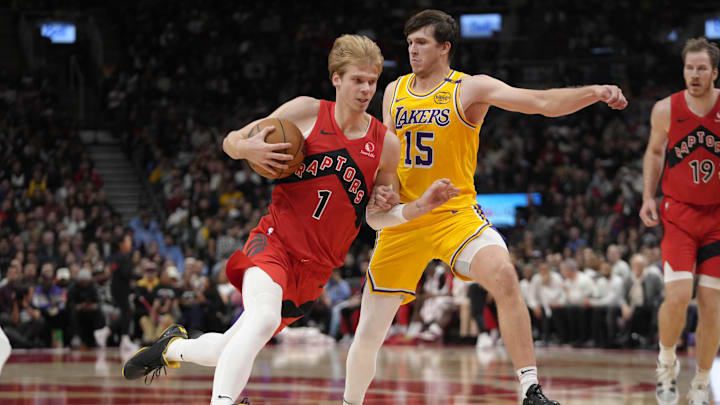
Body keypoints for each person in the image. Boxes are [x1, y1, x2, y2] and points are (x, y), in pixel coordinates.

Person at [121, 34, 459, 405]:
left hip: (314, 272)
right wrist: (245, 146)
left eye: (372, 81)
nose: (365, 89)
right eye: (357, 80)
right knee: (262, 319)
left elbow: (377, 220)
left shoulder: (385, 145)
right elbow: (231, 140)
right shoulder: (307, 112)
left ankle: (173, 348)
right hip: (274, 243)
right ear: (336, 79)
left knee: (229, 348)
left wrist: (416, 206)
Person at [343, 9, 627, 405]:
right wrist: (382, 189)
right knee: (369, 332)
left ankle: (531, 389)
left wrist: (594, 91)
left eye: (421, 42)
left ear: (445, 48)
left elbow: (541, 102)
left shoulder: (469, 89)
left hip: (454, 214)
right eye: (409, 43)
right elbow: (388, 158)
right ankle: (349, 402)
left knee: (505, 276)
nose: (412, 50)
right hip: (405, 220)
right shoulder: (393, 91)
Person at [639, 37, 720, 405]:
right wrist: (646, 197)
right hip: (680, 213)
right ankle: (666, 363)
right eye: (690, 67)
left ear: (715, 73)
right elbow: (655, 152)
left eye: (702, 68)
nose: (695, 74)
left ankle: (701, 384)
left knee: (711, 304)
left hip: (718, 218)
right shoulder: (665, 109)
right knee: (677, 296)